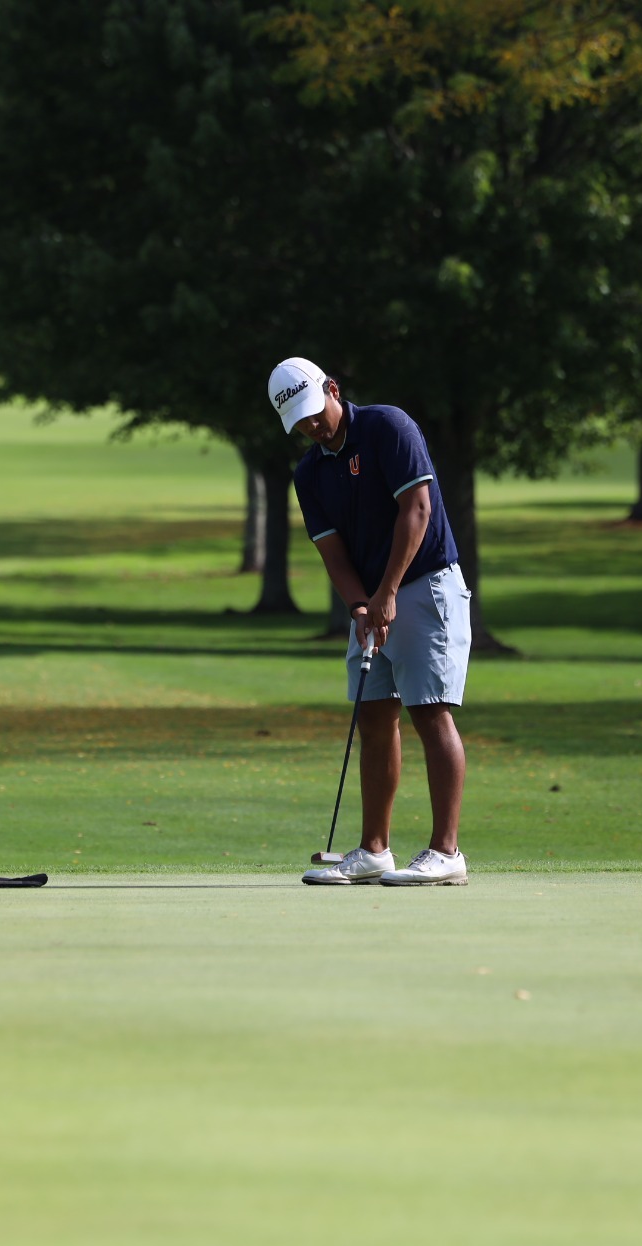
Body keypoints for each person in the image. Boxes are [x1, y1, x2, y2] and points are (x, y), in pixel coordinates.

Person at [268, 356, 472, 886]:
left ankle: (447, 853)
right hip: (373, 597)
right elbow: (333, 553)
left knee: (431, 711)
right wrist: (361, 606)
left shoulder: (388, 427)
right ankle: (375, 850)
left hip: (425, 584)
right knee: (374, 714)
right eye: (300, 424)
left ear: (332, 389)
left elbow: (417, 511)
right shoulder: (310, 473)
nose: (313, 427)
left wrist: (386, 594)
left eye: (316, 412)